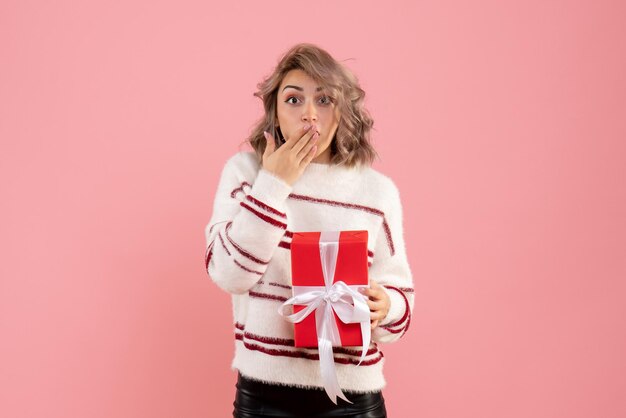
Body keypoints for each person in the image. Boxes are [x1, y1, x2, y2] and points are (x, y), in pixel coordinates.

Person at [204, 43, 414, 418]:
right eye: (294, 100)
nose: (310, 115)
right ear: (275, 111)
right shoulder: (245, 173)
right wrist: (273, 183)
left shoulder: (377, 191)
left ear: (343, 111)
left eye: (325, 99)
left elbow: (400, 302)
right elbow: (229, 273)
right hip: (264, 395)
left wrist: (386, 306)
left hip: (353, 396)